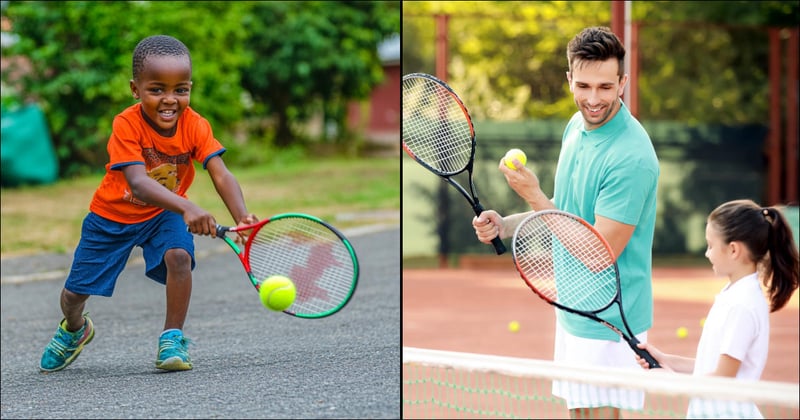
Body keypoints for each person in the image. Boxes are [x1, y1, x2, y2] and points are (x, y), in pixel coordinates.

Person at [39, 35, 258, 373]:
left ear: (189, 88)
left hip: (164, 214)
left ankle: (172, 338)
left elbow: (220, 173)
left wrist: (242, 217)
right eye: (157, 89)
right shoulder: (125, 124)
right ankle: (75, 328)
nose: (170, 100)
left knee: (179, 257)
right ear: (135, 89)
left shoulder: (195, 125)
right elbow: (139, 184)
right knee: (74, 295)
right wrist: (188, 207)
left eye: (181, 90)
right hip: (111, 217)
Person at [472, 26, 660, 418]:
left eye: (606, 87)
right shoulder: (576, 128)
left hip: (610, 318)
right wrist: (506, 224)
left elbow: (598, 253)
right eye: (585, 85)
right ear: (569, 80)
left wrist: (535, 197)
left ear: (623, 83)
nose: (594, 99)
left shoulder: (631, 157)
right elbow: (566, 211)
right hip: (574, 308)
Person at [635, 199, 799, 419]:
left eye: (711, 245)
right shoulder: (733, 294)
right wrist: (666, 360)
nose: (707, 253)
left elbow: (722, 378)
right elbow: (710, 367)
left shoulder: (742, 305)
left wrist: (671, 380)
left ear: (733, 250)